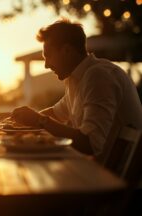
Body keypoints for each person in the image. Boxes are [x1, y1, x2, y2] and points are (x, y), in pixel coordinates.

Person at [11, 19, 142, 161]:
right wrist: (21, 123)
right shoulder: (76, 79)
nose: (46, 65)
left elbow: (90, 144)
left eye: (48, 56)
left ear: (67, 50)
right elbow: (56, 113)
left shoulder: (98, 76)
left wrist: (39, 120)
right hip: (95, 165)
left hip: (112, 176)